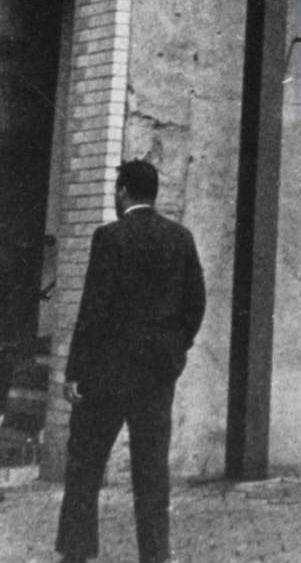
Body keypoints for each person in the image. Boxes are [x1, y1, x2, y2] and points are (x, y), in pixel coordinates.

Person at [55, 159, 206, 563]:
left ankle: (76, 552)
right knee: (152, 473)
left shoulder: (109, 237)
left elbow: (93, 309)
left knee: (85, 467)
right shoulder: (180, 238)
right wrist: (175, 348)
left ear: (122, 191)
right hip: (156, 375)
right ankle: (154, 556)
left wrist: (75, 372)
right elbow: (196, 302)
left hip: (106, 373)